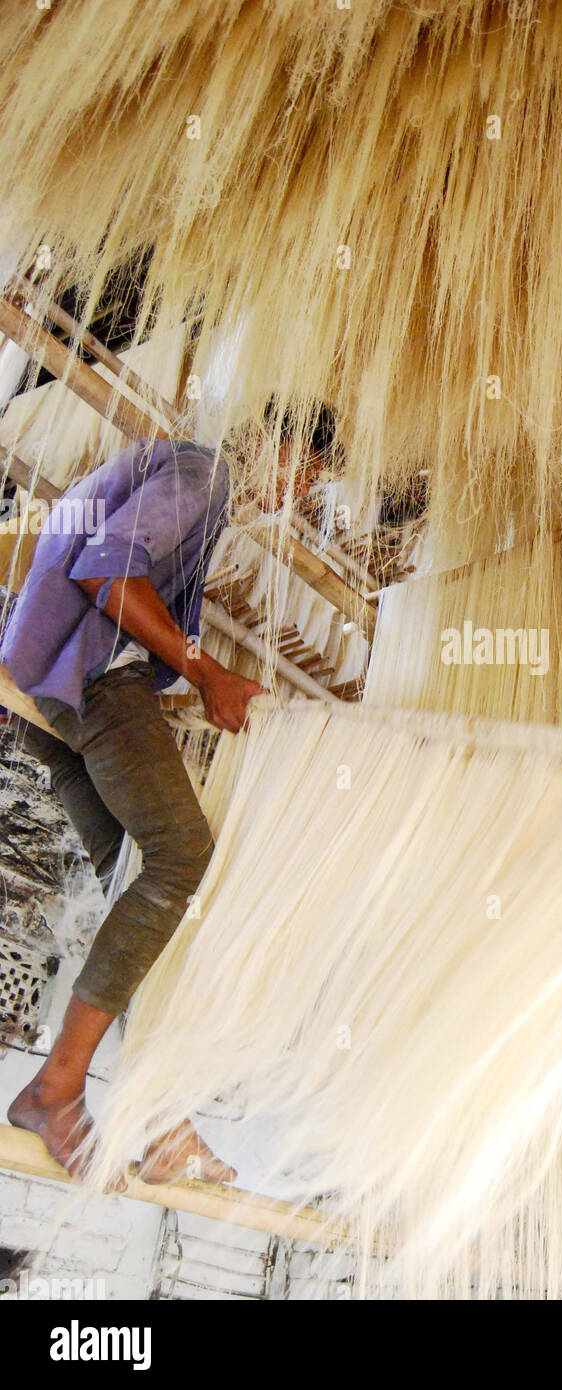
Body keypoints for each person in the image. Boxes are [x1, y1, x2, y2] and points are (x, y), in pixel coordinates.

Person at [1, 408, 332, 1183]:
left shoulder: (174, 471)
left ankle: (160, 1119)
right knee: (183, 856)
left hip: (42, 684)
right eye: (307, 473)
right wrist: (208, 674)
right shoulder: (203, 472)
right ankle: (57, 1089)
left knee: (137, 888)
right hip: (88, 675)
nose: (300, 495)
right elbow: (106, 570)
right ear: (276, 444)